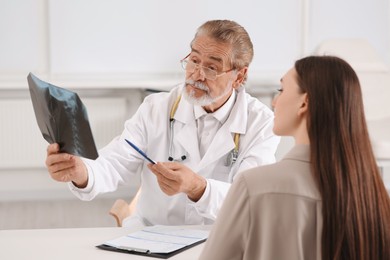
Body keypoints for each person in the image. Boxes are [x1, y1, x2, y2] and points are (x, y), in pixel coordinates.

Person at [45, 20, 280, 227]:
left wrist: (199, 188)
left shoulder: (262, 123)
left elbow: (251, 200)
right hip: (152, 235)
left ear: (239, 76)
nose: (196, 74)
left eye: (211, 67)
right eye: (194, 60)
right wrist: (81, 171)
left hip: (219, 241)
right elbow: (115, 161)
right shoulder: (157, 108)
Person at [200, 56, 390, 260]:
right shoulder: (377, 198)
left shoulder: (252, 186)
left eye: (281, 91)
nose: (274, 101)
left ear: (304, 103)